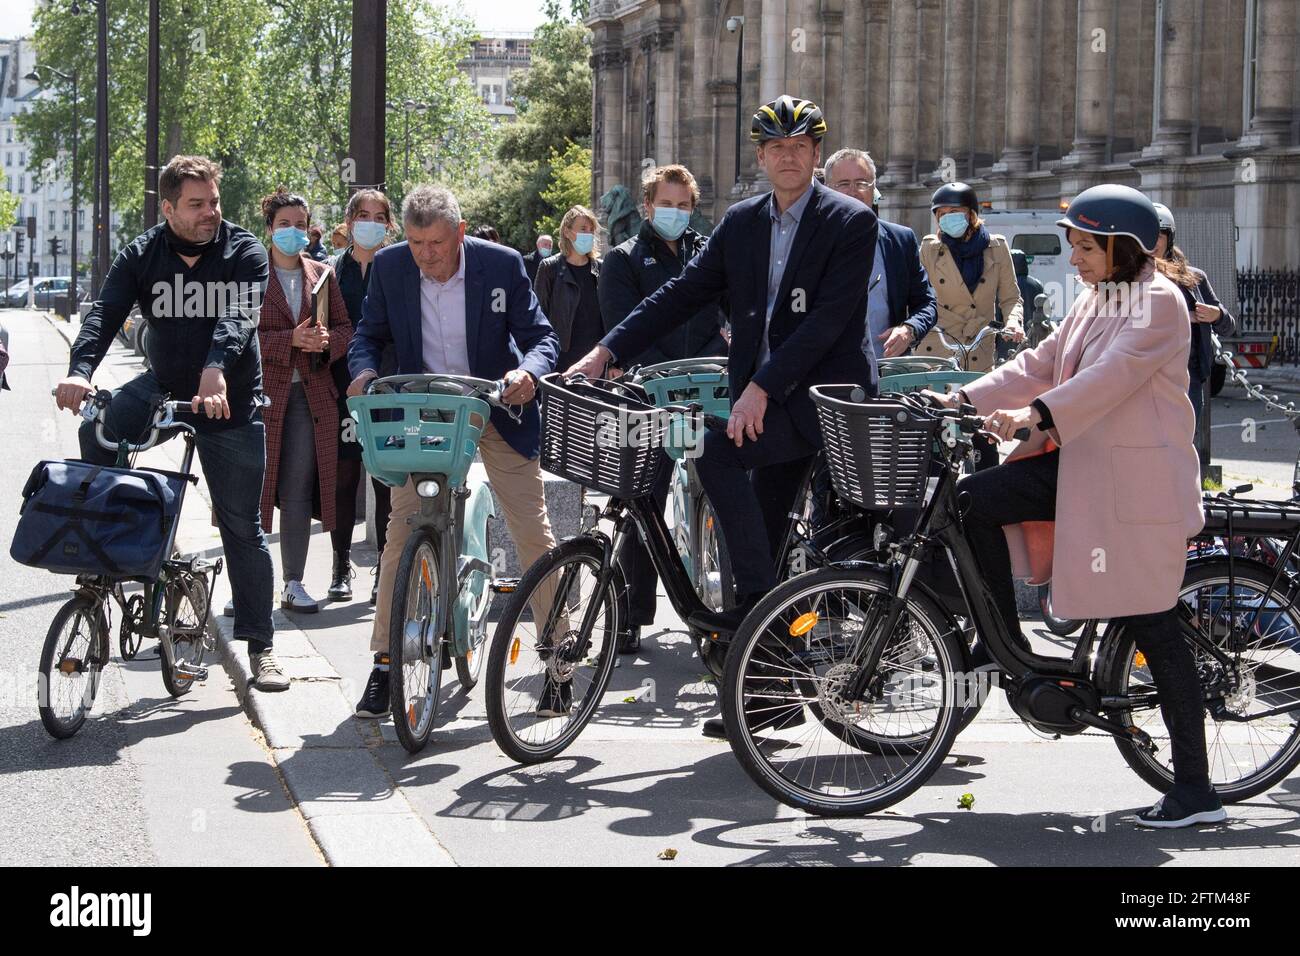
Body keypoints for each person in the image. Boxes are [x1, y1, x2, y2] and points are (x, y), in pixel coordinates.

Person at [566, 95, 878, 739]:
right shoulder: (741, 223)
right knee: (753, 538)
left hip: (821, 398)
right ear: (761, 157)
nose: (788, 157)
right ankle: (769, 693)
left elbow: (829, 322)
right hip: (761, 402)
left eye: (800, 147)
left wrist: (762, 386)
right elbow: (681, 294)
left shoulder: (849, 221)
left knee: (714, 453)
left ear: (816, 156)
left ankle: (761, 633)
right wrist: (605, 351)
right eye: (776, 148)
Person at [939, 184, 1222, 828]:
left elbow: (1109, 377)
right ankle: (1003, 643)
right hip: (1085, 470)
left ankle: (1197, 793)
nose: (1075, 260)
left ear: (1122, 248)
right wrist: (965, 398)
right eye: (1073, 247)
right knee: (971, 499)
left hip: (1134, 492)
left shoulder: (1161, 303)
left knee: (1154, 627)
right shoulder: (1104, 295)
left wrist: (1034, 415)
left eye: (1086, 248)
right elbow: (1041, 361)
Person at [53, 155, 287, 691]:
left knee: (241, 526)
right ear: (168, 207)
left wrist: (214, 371)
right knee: (97, 429)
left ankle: (262, 648)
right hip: (162, 387)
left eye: (214, 202)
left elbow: (240, 316)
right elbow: (105, 313)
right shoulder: (142, 253)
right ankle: (120, 554)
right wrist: (80, 373)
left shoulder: (243, 249)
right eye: (196, 204)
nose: (209, 213)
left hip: (229, 397)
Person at [346, 185, 560, 720]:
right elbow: (365, 337)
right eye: (416, 243)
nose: (426, 255)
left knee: (531, 529)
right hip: (427, 411)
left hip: (497, 403)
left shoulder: (503, 265)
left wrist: (526, 373)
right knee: (402, 527)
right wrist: (363, 372)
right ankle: (386, 663)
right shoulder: (391, 268)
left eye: (436, 244)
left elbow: (541, 336)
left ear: (460, 234)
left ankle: (559, 657)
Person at [598, 163, 729, 653]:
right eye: (665, 203)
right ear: (647, 206)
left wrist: (724, 358)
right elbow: (623, 326)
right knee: (644, 499)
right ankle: (631, 615)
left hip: (712, 391)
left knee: (725, 491)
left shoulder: (708, 253)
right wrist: (667, 374)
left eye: (683, 204)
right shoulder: (624, 259)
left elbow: (728, 314)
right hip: (649, 394)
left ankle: (725, 608)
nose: (674, 212)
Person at [255, 188, 353, 614]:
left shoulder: (324, 275)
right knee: (248, 492)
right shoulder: (251, 274)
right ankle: (248, 585)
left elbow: (348, 328)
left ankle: (293, 581)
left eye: (299, 224)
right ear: (269, 229)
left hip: (308, 397)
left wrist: (327, 341)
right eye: (283, 225)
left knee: (297, 490)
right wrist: (289, 340)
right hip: (259, 396)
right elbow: (237, 336)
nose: (292, 232)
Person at [331, 188, 396, 604]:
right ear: (350, 221)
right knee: (345, 475)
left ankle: (384, 571)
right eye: (362, 215)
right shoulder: (332, 272)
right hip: (345, 386)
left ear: (388, 224)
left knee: (387, 477)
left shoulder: (398, 265)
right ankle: (340, 566)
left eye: (378, 216)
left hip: (390, 383)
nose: (370, 223)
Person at [823, 148, 937, 376]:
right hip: (823, 375)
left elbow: (927, 303)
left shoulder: (900, 240)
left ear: (874, 188)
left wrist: (909, 329)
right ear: (826, 190)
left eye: (862, 183)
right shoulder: (807, 240)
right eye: (843, 184)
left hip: (886, 373)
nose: (853, 192)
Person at [918, 181, 1024, 371]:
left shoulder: (997, 247)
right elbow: (917, 296)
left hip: (979, 345)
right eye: (941, 214)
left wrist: (1013, 322)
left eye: (953, 212)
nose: (946, 218)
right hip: (939, 344)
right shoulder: (930, 249)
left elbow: (1011, 298)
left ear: (971, 214)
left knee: (976, 398)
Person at [1151, 202, 1237, 437]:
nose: (1153, 242)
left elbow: (1228, 326)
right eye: (1147, 236)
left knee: (1181, 443)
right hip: (1147, 376)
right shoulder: (1132, 279)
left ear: (1169, 238)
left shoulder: (1194, 277)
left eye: (1158, 235)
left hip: (1190, 376)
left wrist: (1215, 314)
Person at [534, 207, 603, 373]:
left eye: (591, 230)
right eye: (583, 229)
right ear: (567, 232)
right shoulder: (549, 268)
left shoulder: (601, 268)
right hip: (561, 357)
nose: (588, 234)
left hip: (595, 359)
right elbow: (538, 315)